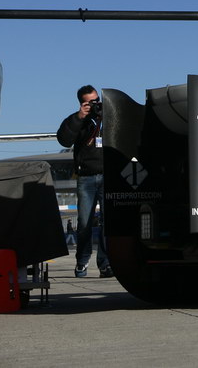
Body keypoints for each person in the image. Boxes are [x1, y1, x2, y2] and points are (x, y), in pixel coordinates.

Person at [56, 85, 112, 277]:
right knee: (84, 222)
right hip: (86, 177)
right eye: (90, 103)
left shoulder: (109, 116)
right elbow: (63, 139)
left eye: (97, 101)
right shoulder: (78, 119)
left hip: (107, 176)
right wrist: (80, 117)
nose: (95, 105)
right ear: (82, 103)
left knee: (108, 222)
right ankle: (82, 262)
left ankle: (105, 263)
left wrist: (107, 113)